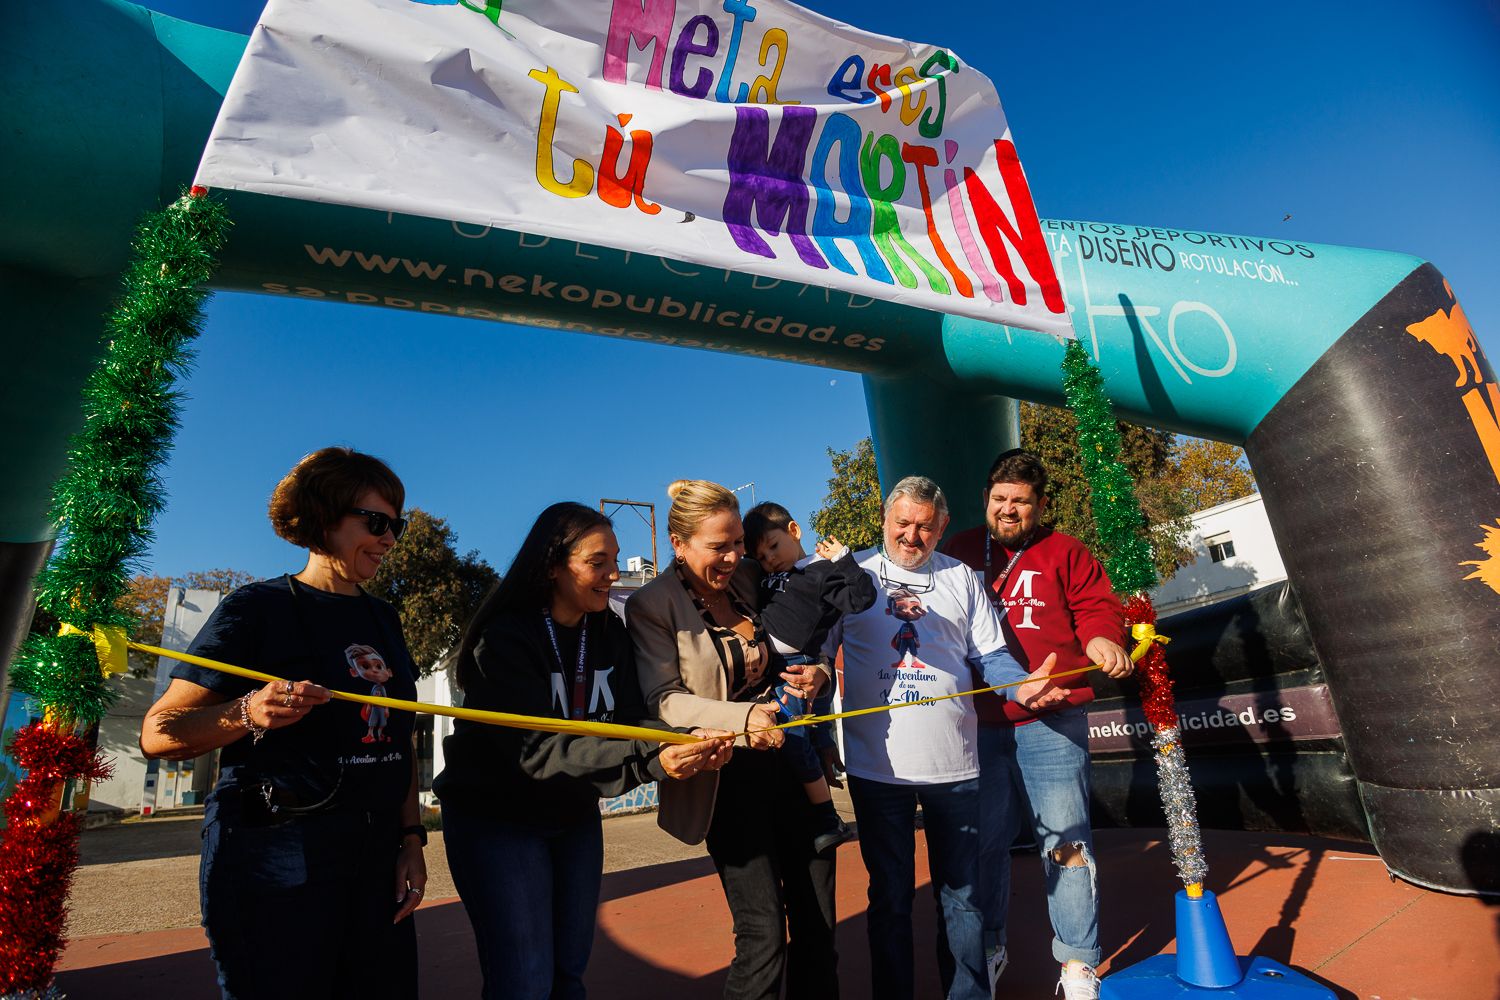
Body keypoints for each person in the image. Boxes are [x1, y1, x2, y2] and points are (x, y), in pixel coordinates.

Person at [140, 446, 425, 999]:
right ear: (323, 519)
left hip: (373, 853)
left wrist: (411, 837)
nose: (391, 538)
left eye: (398, 524)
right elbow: (159, 731)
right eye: (375, 522)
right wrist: (247, 711)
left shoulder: (383, 617)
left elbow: (399, 736)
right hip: (275, 852)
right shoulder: (255, 609)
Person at [433, 502, 734, 999]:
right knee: (524, 982)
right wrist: (652, 758)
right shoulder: (504, 638)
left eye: (616, 559)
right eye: (598, 563)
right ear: (553, 564)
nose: (614, 574)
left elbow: (633, 719)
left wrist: (683, 742)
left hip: (572, 815)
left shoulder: (608, 631)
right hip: (498, 820)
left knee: (569, 973)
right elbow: (535, 753)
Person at [824, 475, 1067, 1000]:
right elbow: (819, 651)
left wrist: (1021, 688)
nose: (912, 537)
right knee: (889, 897)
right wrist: (812, 676)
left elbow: (991, 655)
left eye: (925, 528)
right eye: (902, 525)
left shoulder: (961, 577)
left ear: (942, 528)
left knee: (963, 899)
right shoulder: (852, 573)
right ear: (884, 520)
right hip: (876, 769)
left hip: (955, 769)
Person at [628, 480, 839, 1000]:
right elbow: (664, 700)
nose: (733, 557)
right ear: (679, 544)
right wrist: (746, 718)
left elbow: (813, 621)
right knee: (763, 935)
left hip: (793, 768)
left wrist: (821, 673)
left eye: (738, 543)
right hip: (726, 783)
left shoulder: (750, 576)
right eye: (718, 546)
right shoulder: (651, 605)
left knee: (818, 926)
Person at [942, 449, 1134, 1000]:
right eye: (1000, 499)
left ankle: (1078, 963)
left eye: (1021, 502)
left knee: (1066, 843)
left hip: (1052, 722)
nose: (1008, 510)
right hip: (977, 724)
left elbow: (1098, 607)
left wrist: (1102, 638)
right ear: (986, 500)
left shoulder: (1065, 551)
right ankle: (991, 946)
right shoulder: (957, 551)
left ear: (1040, 505)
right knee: (984, 846)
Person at [742, 500, 877, 854]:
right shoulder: (764, 575)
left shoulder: (821, 571)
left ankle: (827, 816)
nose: (770, 559)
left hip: (798, 666)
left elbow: (862, 598)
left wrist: (844, 559)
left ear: (794, 531)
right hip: (770, 667)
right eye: (762, 556)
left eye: (773, 546)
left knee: (795, 740)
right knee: (796, 736)